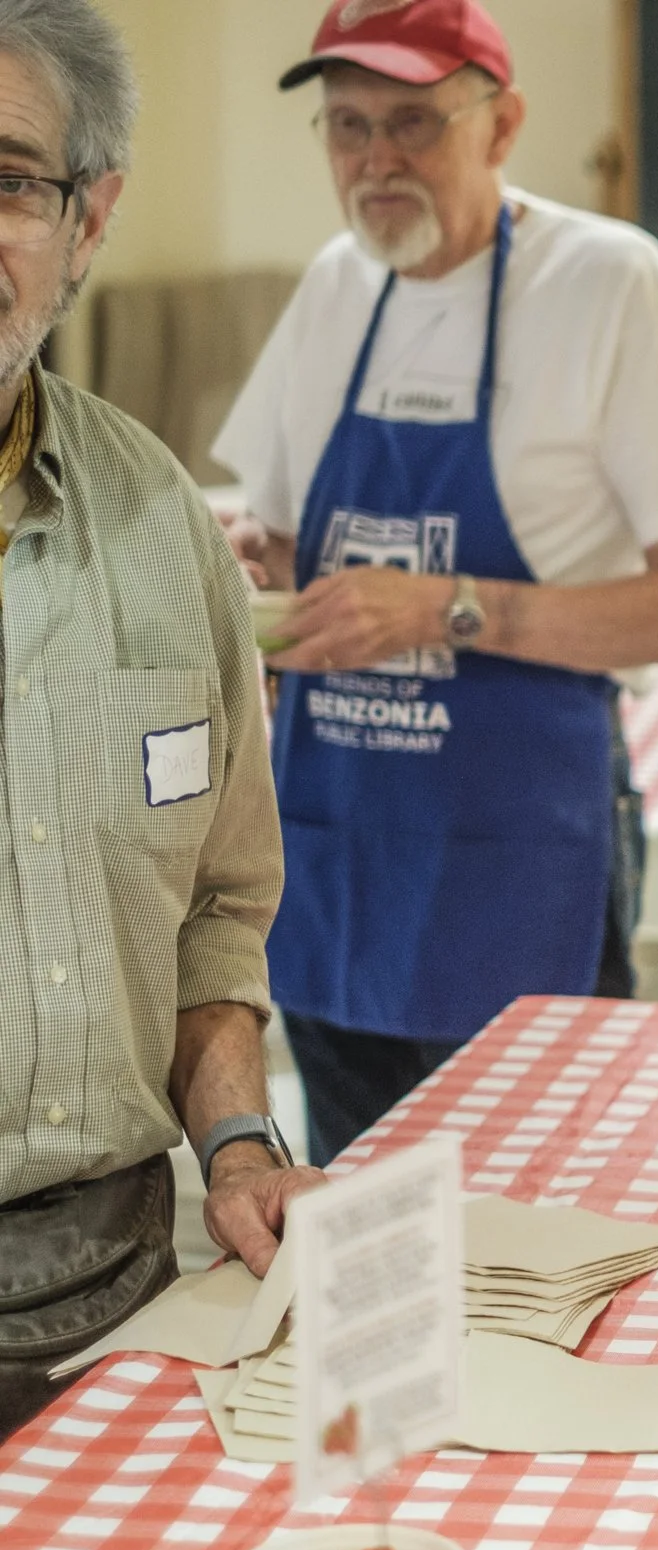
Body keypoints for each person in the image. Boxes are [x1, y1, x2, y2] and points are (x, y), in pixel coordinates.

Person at [214, 0, 658, 1164]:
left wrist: (453, 606)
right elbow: (282, 538)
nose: (377, 159)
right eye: (347, 125)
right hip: (338, 843)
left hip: (519, 856)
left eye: (414, 121)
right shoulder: (334, 289)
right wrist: (244, 560)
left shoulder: (611, 285)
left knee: (534, 1223)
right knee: (358, 1221)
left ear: (501, 123)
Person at [0, 0, 322, 1439]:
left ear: (89, 219)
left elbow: (215, 905)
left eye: (7, 180)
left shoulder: (160, 523)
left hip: (128, 1294)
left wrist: (242, 1137)